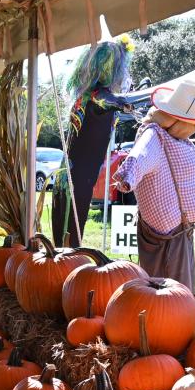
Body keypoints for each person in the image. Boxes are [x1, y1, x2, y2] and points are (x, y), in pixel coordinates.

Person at [112, 80, 195, 291]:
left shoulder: (176, 139)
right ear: (177, 120)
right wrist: (127, 176)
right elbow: (139, 156)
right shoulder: (153, 136)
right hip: (164, 239)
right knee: (168, 292)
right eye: (194, 125)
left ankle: (178, 322)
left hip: (180, 232)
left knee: (180, 290)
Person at [52, 37, 134, 246]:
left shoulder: (85, 95)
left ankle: (65, 258)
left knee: (67, 222)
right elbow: (107, 101)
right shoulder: (99, 96)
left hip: (73, 171)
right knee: (73, 224)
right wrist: (124, 104)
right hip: (80, 174)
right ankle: (68, 262)